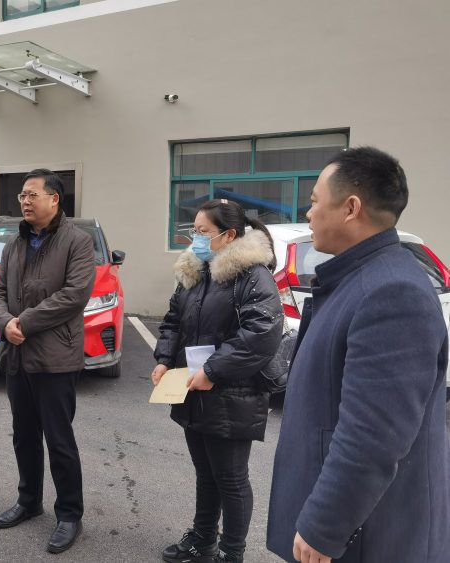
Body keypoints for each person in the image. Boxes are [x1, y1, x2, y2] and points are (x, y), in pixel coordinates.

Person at [266, 147, 450, 563]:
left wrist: (325, 525)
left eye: (315, 201)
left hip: (371, 536)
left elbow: (374, 435)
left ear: (351, 208)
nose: (308, 213)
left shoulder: (390, 292)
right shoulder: (360, 279)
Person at [153, 199, 283, 563]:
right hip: (193, 388)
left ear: (228, 235)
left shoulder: (253, 275)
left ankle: (231, 553)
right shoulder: (195, 271)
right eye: (193, 230)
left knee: (231, 478)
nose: (195, 238)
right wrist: (164, 359)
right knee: (206, 473)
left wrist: (213, 371)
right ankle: (203, 539)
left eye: (203, 231)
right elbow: (173, 321)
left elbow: (261, 334)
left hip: (233, 392)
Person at [0, 168, 95, 554]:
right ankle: (29, 500)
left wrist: (24, 323)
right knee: (24, 435)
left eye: (32, 194)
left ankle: (69, 514)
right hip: (17, 354)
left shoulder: (77, 241)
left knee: (59, 439)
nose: (25, 201)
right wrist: (5, 322)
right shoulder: (13, 243)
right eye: (22, 195)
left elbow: (74, 295)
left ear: (54, 199)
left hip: (55, 358)